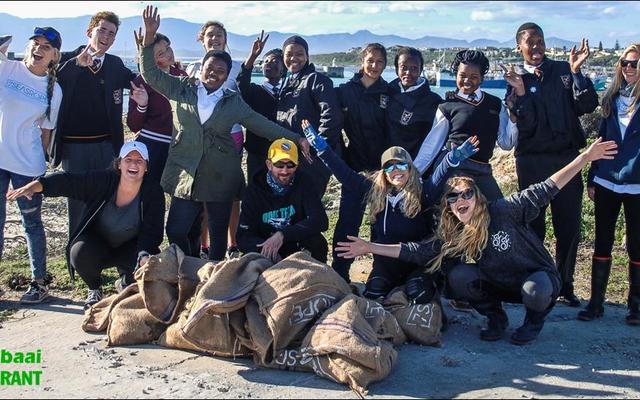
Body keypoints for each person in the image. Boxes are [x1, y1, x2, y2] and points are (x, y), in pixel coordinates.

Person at [336, 138, 618, 345]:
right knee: (458, 277)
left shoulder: (507, 210)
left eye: (467, 194)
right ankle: (496, 317)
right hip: (498, 282)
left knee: (535, 289)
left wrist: (585, 158)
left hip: (534, 279)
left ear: (477, 195)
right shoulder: (454, 230)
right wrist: (369, 247)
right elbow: (419, 250)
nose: (461, 200)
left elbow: (550, 186)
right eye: (453, 197)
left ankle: (534, 321)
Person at [138, 6, 310, 262]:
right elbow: (150, 74)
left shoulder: (233, 102)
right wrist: (149, 38)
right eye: (210, 67)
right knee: (175, 228)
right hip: (185, 170)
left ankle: (215, 276)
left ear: (227, 75)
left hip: (221, 174)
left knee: (218, 233)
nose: (214, 73)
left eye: (221, 70)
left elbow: (261, 124)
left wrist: (296, 138)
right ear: (201, 68)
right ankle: (189, 265)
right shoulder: (182, 89)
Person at [304, 119, 479, 300]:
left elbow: (438, 177)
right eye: (390, 166)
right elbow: (344, 173)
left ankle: (432, 289)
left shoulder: (424, 193)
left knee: (418, 294)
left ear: (410, 168)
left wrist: (453, 159)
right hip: (386, 263)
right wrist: (322, 149)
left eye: (401, 165)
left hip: (416, 262)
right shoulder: (375, 191)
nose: (396, 170)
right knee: (373, 293)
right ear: (384, 172)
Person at [7, 141, 165, 309]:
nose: (133, 164)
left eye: (139, 161)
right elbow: (70, 182)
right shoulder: (103, 181)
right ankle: (95, 289)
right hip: (98, 245)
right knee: (79, 252)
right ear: (119, 164)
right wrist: (38, 186)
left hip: (131, 248)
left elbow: (152, 232)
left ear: (146, 167)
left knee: (151, 262)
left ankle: (126, 281)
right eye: (128, 159)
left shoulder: (153, 191)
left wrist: (144, 254)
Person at [506, 22, 598, 307]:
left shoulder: (563, 71)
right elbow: (528, 125)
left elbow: (587, 105)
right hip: (532, 162)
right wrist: (520, 94)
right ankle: (537, 282)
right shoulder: (516, 80)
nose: (536, 47)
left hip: (566, 158)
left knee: (568, 224)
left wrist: (577, 73)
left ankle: (565, 284)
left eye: (540, 41)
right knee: (533, 225)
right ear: (519, 47)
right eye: (530, 42)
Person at [50, 11, 137, 242]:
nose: (106, 36)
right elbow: (53, 79)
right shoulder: (67, 59)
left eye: (112, 33)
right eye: (102, 30)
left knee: (105, 200)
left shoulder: (115, 65)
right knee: (77, 201)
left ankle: (97, 255)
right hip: (73, 147)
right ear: (90, 32)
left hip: (107, 145)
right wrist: (77, 64)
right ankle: (75, 252)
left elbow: (138, 81)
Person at [0, 27, 63, 304]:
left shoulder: (54, 90)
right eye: (35, 43)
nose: (39, 49)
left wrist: (43, 169)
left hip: (28, 165)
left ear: (54, 56)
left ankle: (39, 283)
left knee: (32, 224)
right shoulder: (7, 69)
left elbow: (47, 132)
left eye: (46, 47)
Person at [579, 44, 640, 326]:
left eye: (635, 64)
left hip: (637, 184)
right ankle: (595, 303)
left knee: (636, 246)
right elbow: (600, 142)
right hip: (606, 180)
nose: (629, 68)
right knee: (602, 242)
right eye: (625, 63)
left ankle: (635, 306)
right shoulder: (612, 99)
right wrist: (592, 176)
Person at [413, 49, 519, 201]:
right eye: (462, 76)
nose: (467, 81)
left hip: (483, 170)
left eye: (474, 77)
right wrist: (413, 176)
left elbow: (506, 143)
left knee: (499, 212)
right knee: (456, 213)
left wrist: (513, 115)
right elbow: (431, 146)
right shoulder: (447, 105)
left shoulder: (495, 104)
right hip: (453, 168)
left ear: (482, 78)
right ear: (456, 75)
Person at [330, 43, 391, 283]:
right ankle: (340, 271)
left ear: (385, 65)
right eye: (370, 60)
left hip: (383, 170)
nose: (374, 66)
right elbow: (331, 125)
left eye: (380, 62)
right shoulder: (345, 91)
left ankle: (381, 271)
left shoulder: (389, 92)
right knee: (348, 221)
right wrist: (341, 157)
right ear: (362, 61)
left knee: (382, 223)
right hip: (354, 167)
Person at [186, 20, 243, 260]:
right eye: (210, 35)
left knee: (230, 191)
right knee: (204, 190)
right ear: (202, 39)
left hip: (232, 135)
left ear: (226, 39)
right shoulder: (192, 68)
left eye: (220, 35)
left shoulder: (239, 67)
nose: (215, 38)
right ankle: (204, 245)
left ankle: (233, 244)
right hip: (202, 139)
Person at [237, 138, 328, 263]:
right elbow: (243, 236)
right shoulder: (254, 190)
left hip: (294, 243)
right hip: (265, 247)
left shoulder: (305, 182)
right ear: (269, 164)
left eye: (290, 165)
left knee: (317, 242)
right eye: (279, 165)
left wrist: (282, 235)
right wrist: (266, 248)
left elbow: (320, 220)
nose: (285, 171)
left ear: (297, 165)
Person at [277, 35, 343, 195]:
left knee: (309, 204)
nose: (294, 58)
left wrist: (318, 147)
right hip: (290, 154)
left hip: (311, 158)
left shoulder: (316, 80)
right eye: (289, 54)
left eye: (299, 54)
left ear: (307, 56)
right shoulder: (287, 82)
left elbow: (331, 115)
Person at [127, 31, 187, 185]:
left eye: (168, 48)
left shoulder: (181, 76)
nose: (168, 54)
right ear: (150, 59)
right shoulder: (141, 81)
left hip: (178, 147)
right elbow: (133, 126)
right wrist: (142, 105)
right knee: (150, 195)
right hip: (151, 146)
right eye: (161, 53)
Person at [236, 31, 285, 181]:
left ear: (284, 68)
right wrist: (253, 56)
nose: (269, 63)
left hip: (284, 153)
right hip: (257, 152)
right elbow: (242, 81)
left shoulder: (289, 93)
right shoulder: (254, 91)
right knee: (255, 191)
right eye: (266, 61)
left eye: (275, 61)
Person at [386, 46, 442, 159]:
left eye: (414, 68)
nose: (408, 72)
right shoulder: (387, 91)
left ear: (421, 70)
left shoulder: (433, 101)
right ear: (397, 69)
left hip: (413, 163)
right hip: (385, 160)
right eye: (404, 67)